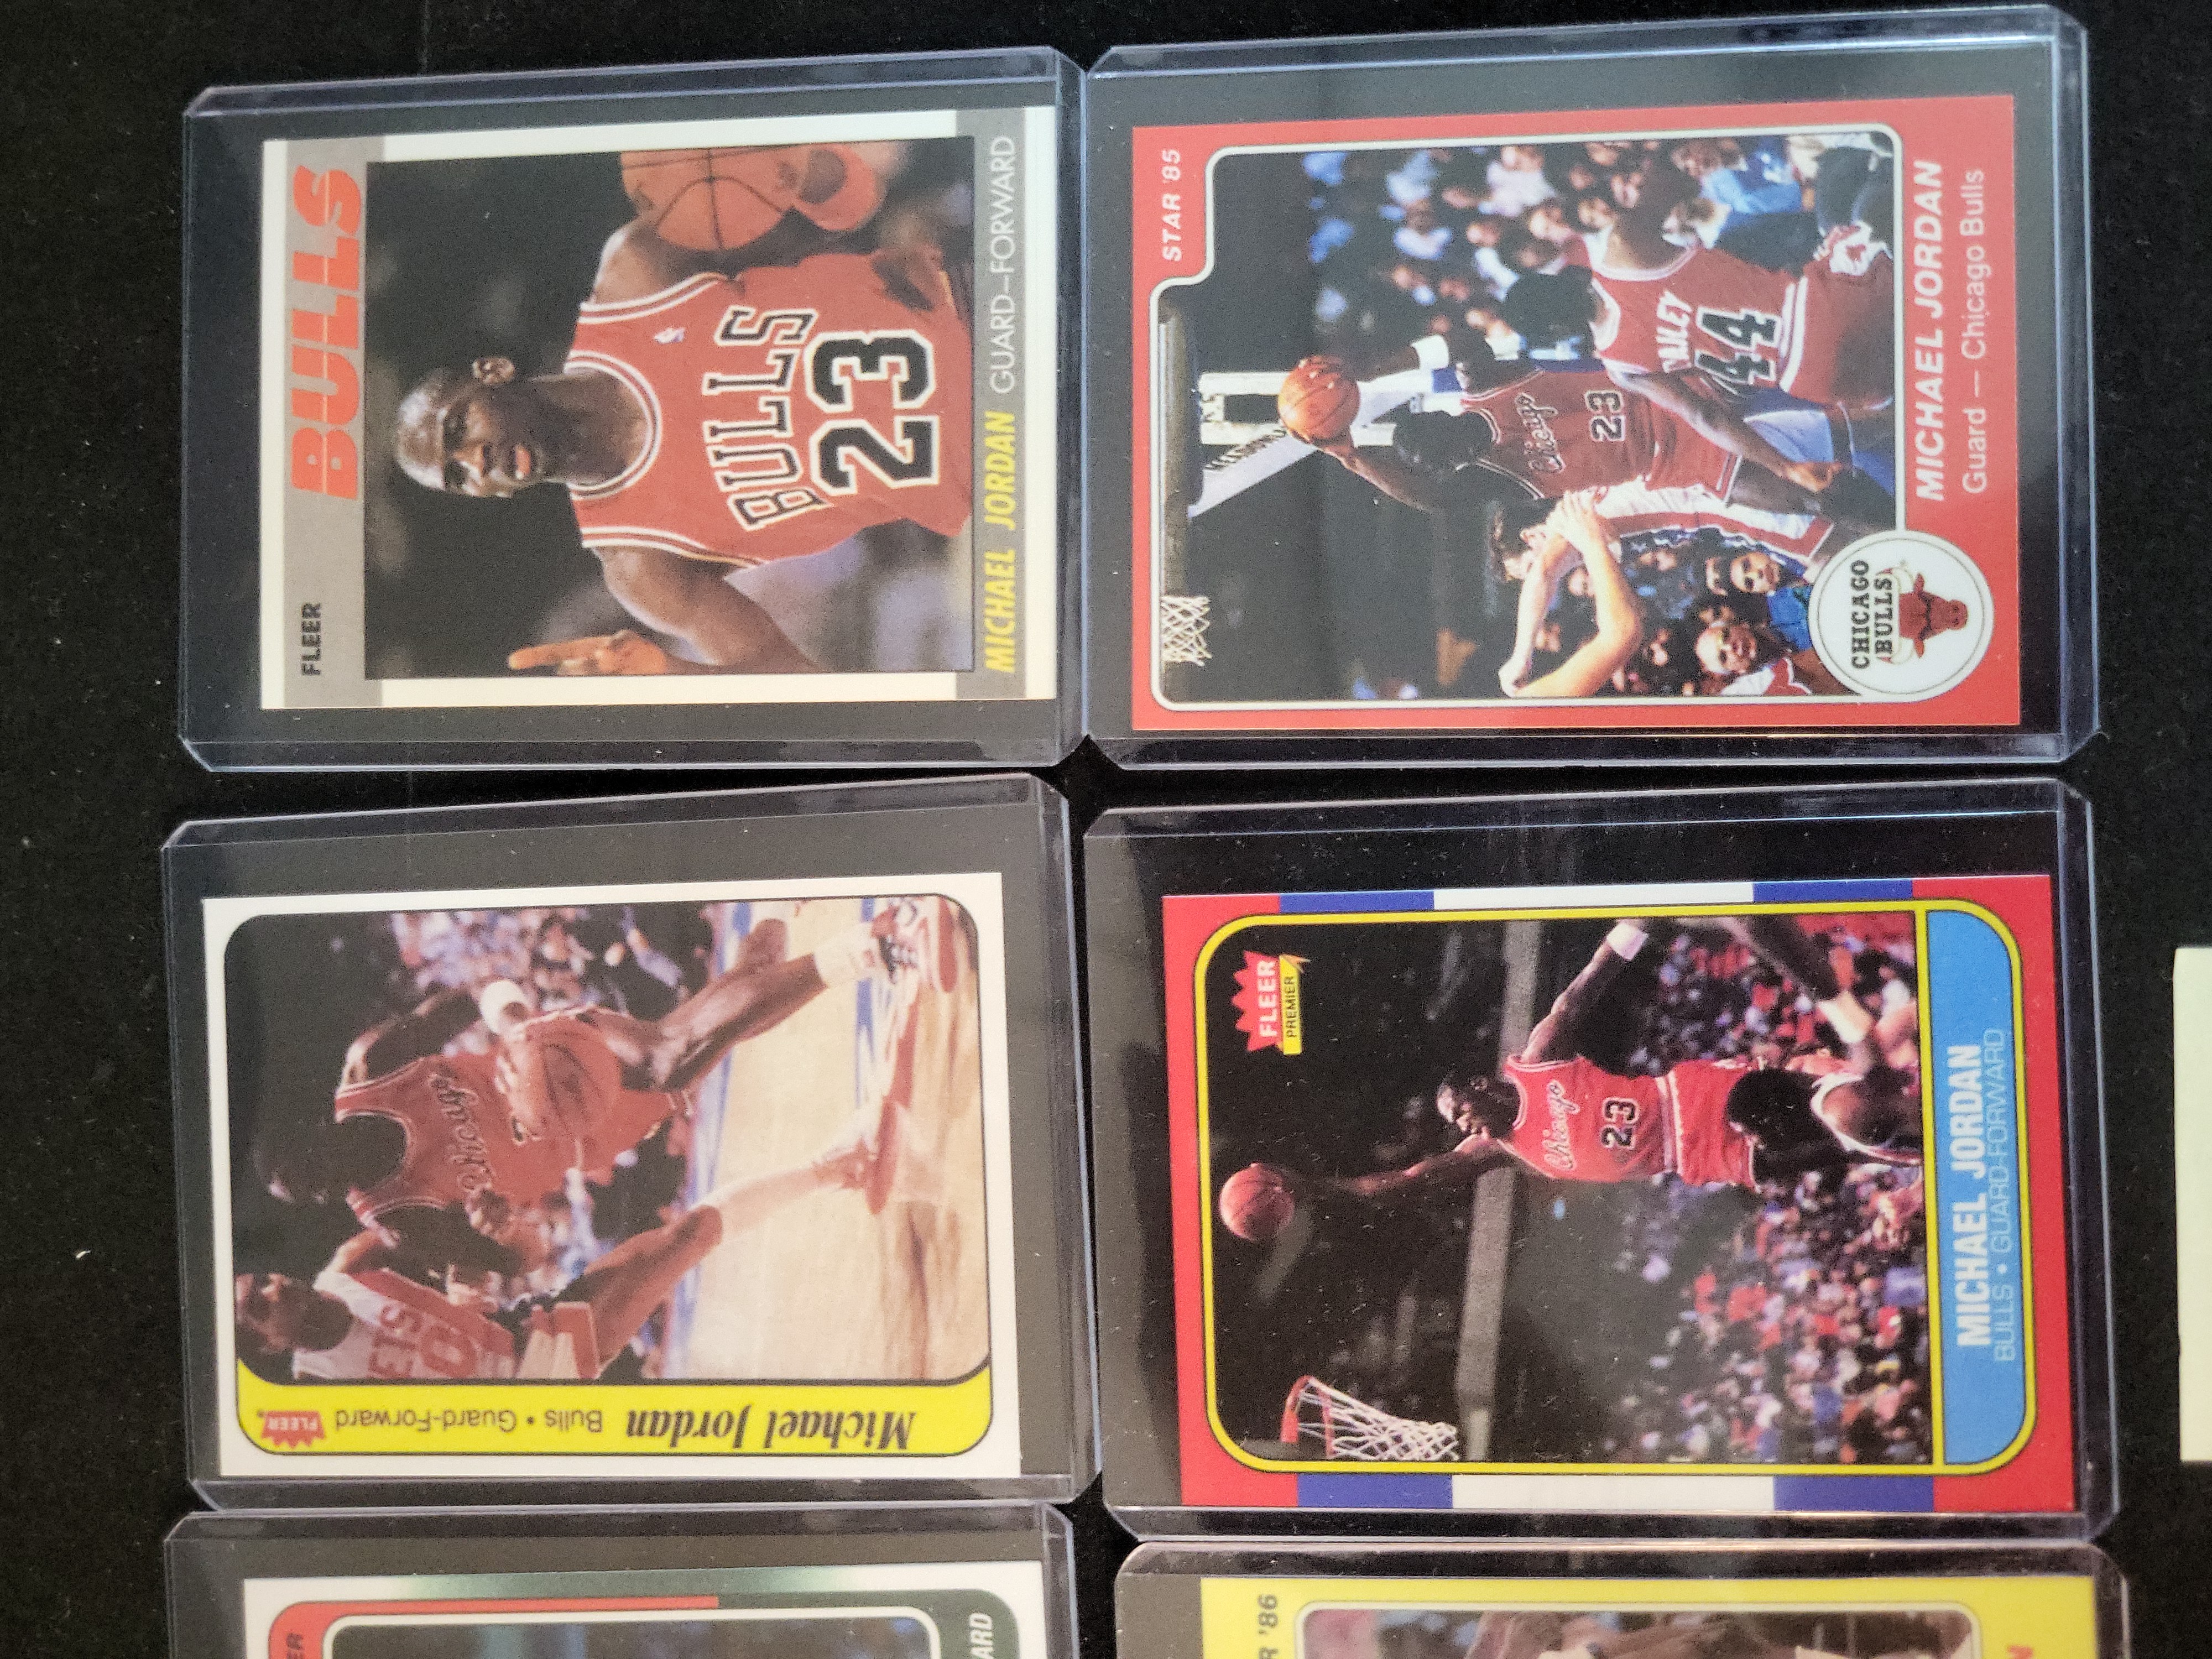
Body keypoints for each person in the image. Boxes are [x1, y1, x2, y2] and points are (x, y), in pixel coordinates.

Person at [390, 142, 972, 677]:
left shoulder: (638, 275)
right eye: (458, 475)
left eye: (459, 427)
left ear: (494, 371)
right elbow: (788, 677)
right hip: (991, 471)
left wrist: (804, 172)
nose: (475, 460)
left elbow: (831, 198)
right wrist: (673, 673)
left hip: (978, 309)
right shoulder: (641, 563)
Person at [255, 900, 959, 1270]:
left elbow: (474, 995)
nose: (327, 1189)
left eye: (311, 1171)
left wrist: (515, 1026)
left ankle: (875, 944)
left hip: (550, 1056)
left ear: (317, 1130)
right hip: (583, 1135)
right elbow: (512, 1260)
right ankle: (775, 906)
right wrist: (506, 1227)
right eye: (314, 1196)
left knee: (670, 1057)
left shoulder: (375, 1068)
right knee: (717, 1023)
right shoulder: (398, 1217)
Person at [1289, 913, 1921, 1204]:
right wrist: (1312, 1187)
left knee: (1863, 1103)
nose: (1463, 1125)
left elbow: (1582, 990)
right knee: (1861, 1132)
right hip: (1718, 1156)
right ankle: (1917, 1142)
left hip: (1722, 1093)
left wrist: (1637, 921)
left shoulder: (1536, 1061)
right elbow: (1407, 1180)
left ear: (1481, 1085)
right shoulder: (1499, 1151)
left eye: (1460, 1109)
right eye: (1457, 1125)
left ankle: (1914, 1089)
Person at [235, 1134, 873, 1381]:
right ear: (268, 1346)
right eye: (258, 1307)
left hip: (523, 1337)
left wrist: (487, 1229)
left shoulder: (353, 1264)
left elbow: (459, 1235)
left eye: (261, 1278)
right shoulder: (321, 1391)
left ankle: (831, 1168)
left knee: (682, 1240)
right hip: (528, 1405)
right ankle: (832, 1168)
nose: (274, 1288)